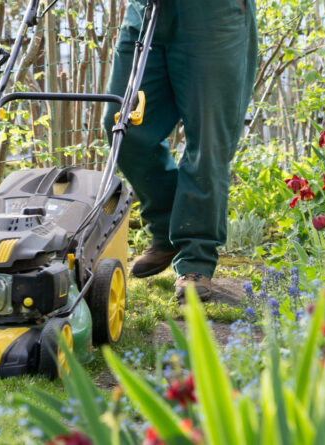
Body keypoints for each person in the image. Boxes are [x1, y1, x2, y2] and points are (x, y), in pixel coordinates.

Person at [103, 0, 258, 300]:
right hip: (146, 10)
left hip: (212, 16)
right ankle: (168, 226)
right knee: (122, 123)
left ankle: (195, 258)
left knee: (208, 142)